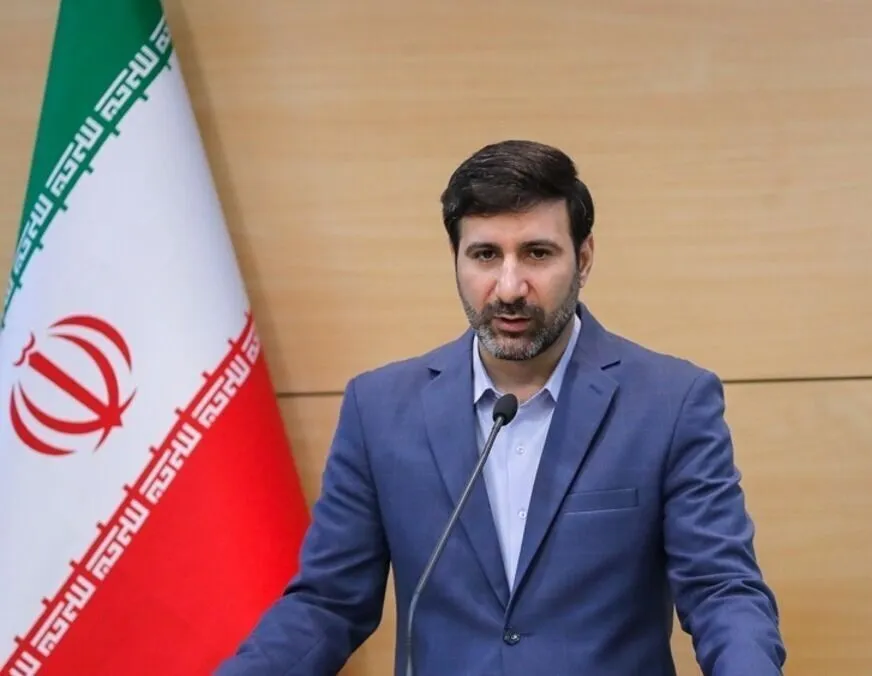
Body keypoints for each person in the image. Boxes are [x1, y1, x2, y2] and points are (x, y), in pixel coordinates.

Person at [216, 140, 785, 675]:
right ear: (456, 258)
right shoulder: (380, 410)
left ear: (584, 258)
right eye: (486, 255)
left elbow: (721, 591)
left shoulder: (669, 402)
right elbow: (328, 603)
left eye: (537, 253)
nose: (509, 288)